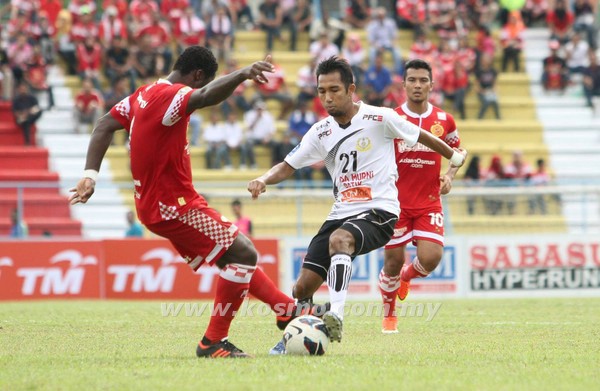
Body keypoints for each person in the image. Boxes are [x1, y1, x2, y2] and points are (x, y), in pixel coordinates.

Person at [69, 47, 303, 359]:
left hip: (162, 202)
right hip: (172, 204)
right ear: (197, 75)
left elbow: (103, 125)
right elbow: (205, 96)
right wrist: (244, 74)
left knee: (229, 258)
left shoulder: (143, 94)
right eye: (202, 81)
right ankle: (212, 342)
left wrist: (90, 175)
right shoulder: (173, 96)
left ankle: (285, 309)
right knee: (244, 252)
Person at [247, 57, 466, 350]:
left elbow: (422, 136)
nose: (327, 97)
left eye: (334, 89)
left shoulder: (380, 117)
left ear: (351, 89)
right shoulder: (320, 131)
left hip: (381, 211)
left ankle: (336, 314)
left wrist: (453, 158)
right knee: (301, 288)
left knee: (341, 241)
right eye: (322, 91)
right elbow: (288, 165)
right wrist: (263, 178)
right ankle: (297, 337)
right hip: (341, 212)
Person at [378, 59, 463, 333]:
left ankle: (407, 277)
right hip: (395, 203)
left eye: (422, 80)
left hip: (428, 202)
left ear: (431, 85)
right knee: (391, 262)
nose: (417, 85)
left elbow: (459, 153)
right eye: (412, 80)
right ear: (403, 85)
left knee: (431, 258)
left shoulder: (444, 120)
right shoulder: (390, 119)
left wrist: (449, 176)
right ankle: (390, 315)